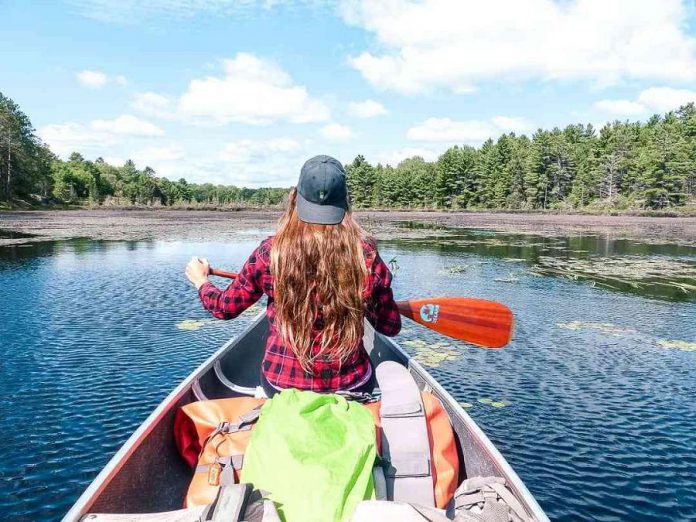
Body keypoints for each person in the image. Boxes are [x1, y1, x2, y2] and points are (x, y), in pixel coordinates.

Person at [185, 155, 401, 397]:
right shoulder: (366, 255)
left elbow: (225, 308)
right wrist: (372, 301)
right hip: (351, 385)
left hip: (282, 386)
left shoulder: (271, 253)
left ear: (295, 198)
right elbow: (390, 326)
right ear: (345, 203)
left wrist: (202, 282)